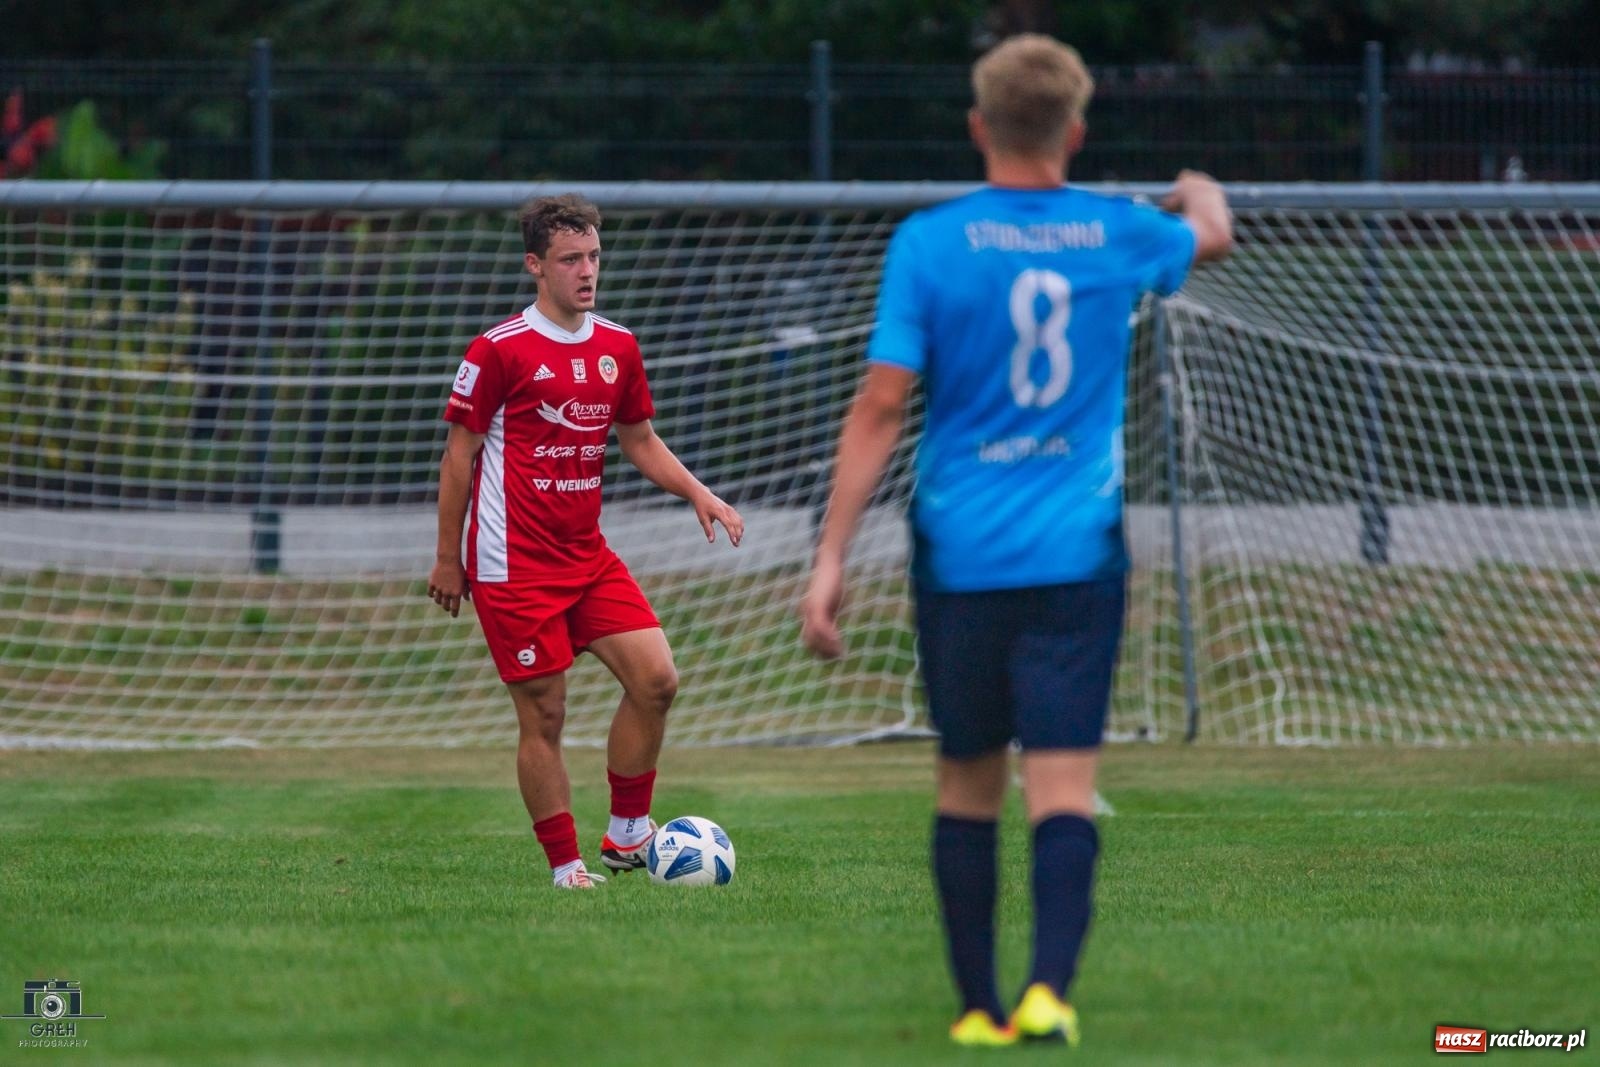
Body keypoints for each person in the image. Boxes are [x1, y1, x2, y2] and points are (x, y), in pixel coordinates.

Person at [799, 34, 1232, 1046]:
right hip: (1075, 555)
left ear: (977, 127)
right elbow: (1209, 233)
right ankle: (1049, 988)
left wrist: (827, 557)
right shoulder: (1118, 232)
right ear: (1075, 130)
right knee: (1063, 783)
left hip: (960, 555)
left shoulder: (929, 243)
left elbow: (877, 405)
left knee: (965, 782)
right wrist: (1197, 188)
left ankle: (975, 1008)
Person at [429, 194, 744, 889]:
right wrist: (449, 557)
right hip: (511, 562)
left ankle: (628, 835)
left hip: (586, 553)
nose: (587, 270)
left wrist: (700, 491)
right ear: (536, 265)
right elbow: (459, 456)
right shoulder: (498, 350)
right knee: (545, 710)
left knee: (657, 678)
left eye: (594, 256)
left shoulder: (617, 346)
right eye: (571, 258)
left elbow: (638, 440)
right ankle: (565, 866)